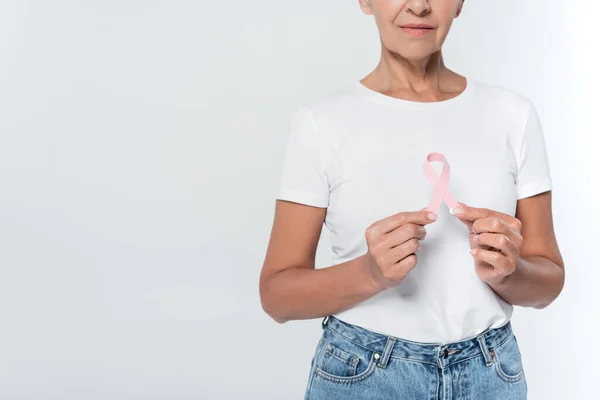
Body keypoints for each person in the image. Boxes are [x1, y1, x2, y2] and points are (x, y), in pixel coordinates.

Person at [259, 0, 565, 399]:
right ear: (365, 1)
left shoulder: (514, 115)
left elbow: (549, 282)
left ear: (459, 3)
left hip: (491, 374)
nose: (419, 6)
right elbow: (277, 296)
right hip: (364, 374)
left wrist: (511, 272)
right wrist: (370, 273)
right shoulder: (321, 123)